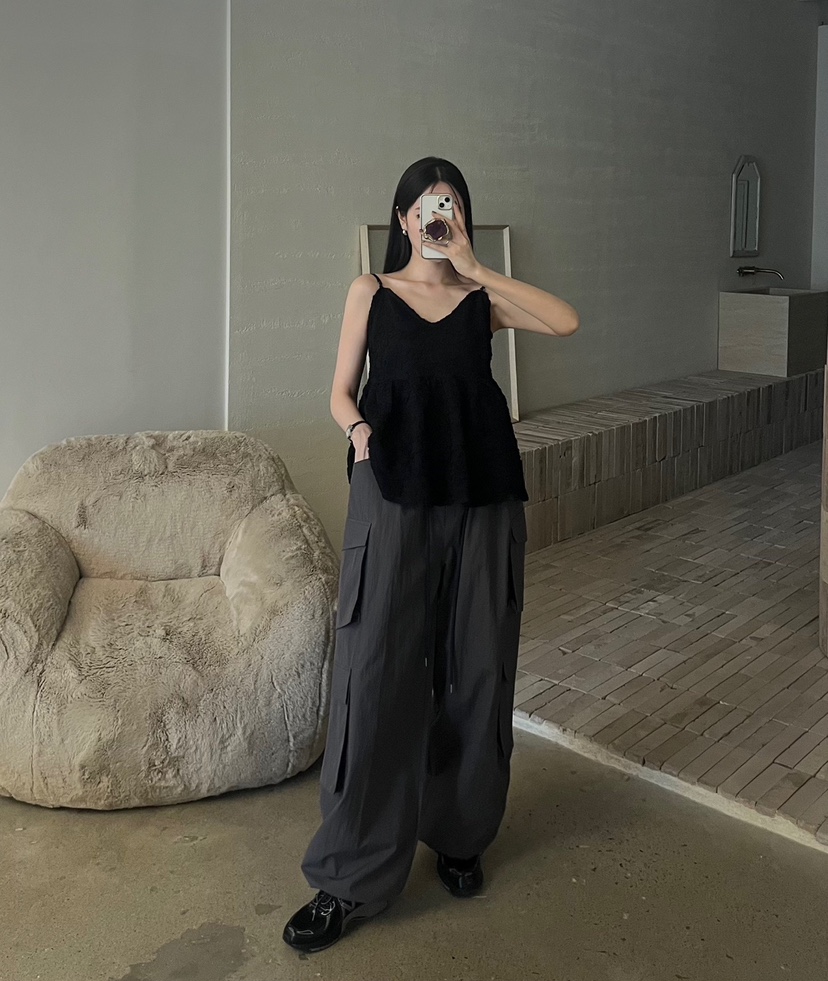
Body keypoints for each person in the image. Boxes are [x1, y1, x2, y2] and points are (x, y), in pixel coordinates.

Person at [283, 156, 580, 953]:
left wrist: (478, 267)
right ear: (403, 219)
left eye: (449, 202)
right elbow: (339, 390)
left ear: (461, 217)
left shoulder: (484, 300)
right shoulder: (371, 292)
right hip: (391, 491)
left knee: (478, 665)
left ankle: (459, 833)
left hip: (483, 494)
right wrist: (358, 432)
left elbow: (565, 321)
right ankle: (348, 875)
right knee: (376, 670)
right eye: (423, 204)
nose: (435, 214)